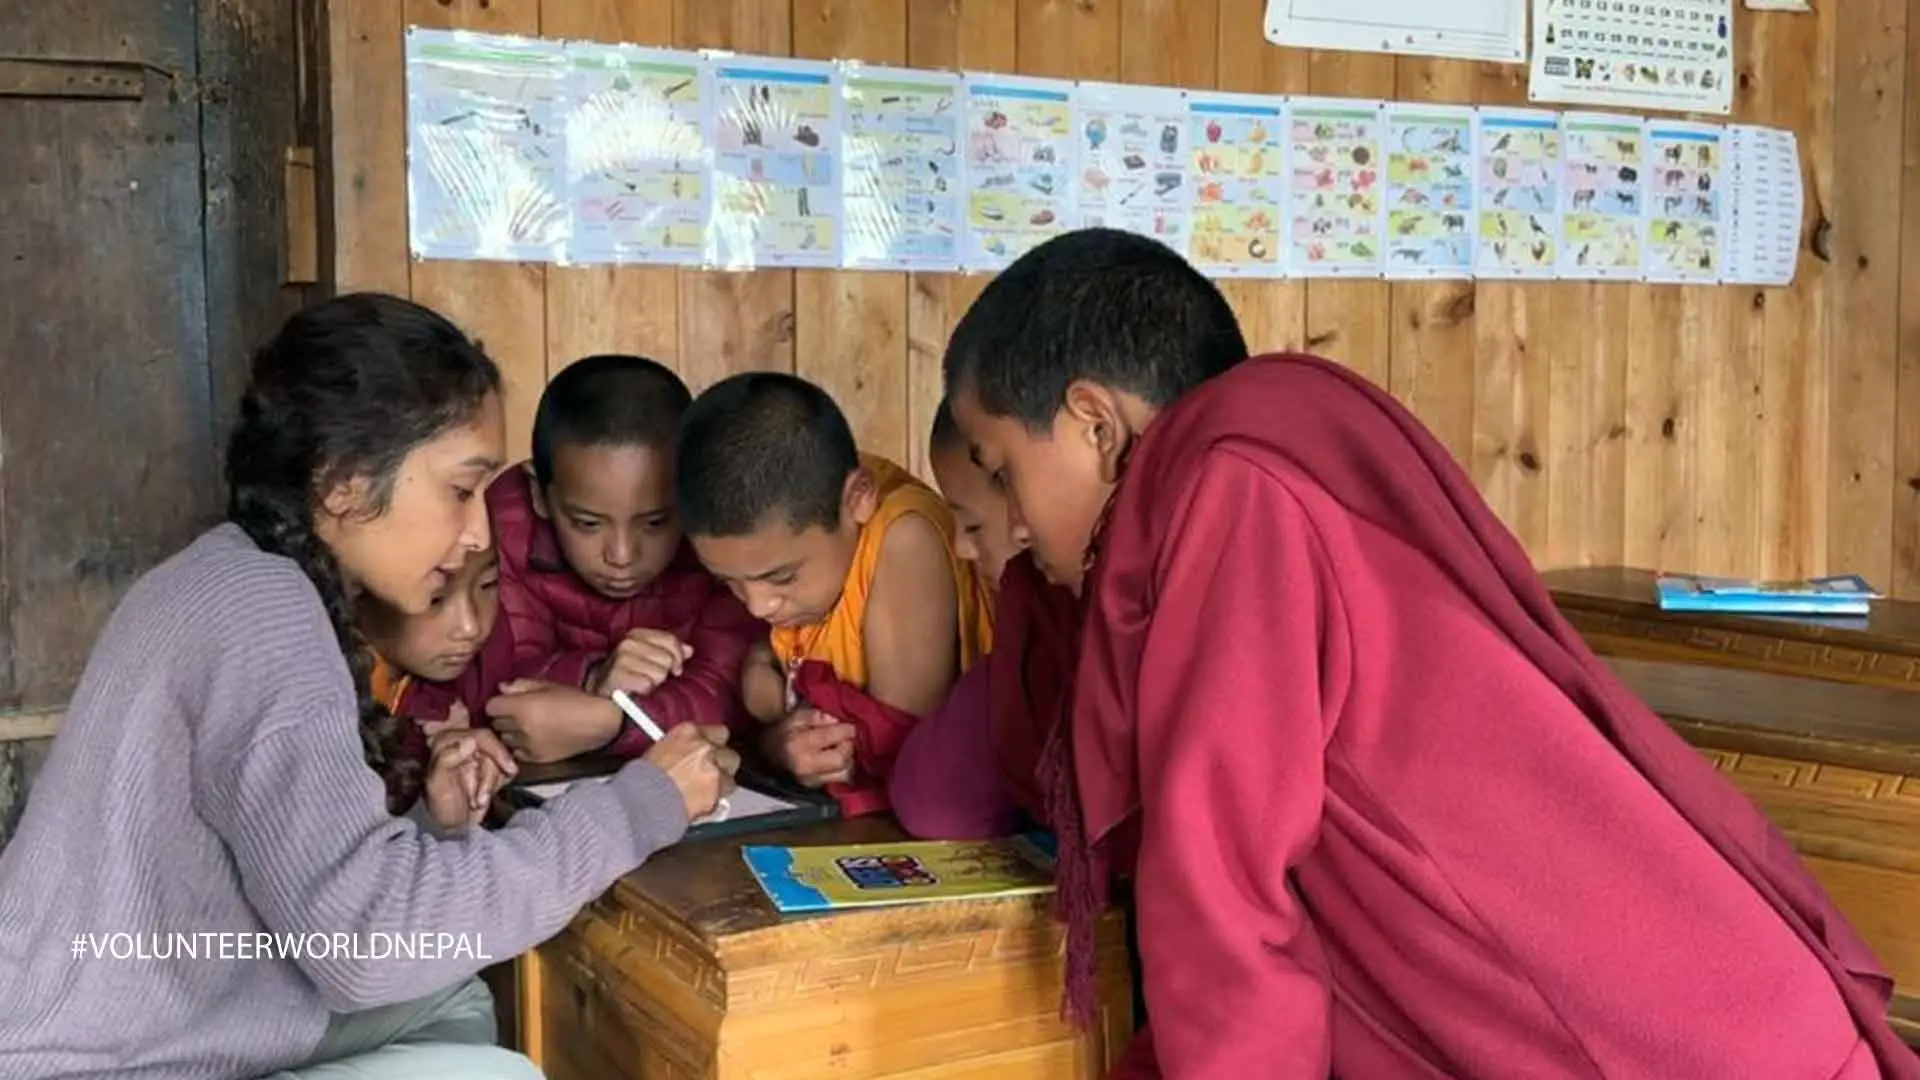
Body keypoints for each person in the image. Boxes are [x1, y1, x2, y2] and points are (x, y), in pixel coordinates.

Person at [942, 227, 1919, 1079]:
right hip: (1676, 1014)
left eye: (998, 469)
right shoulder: (1252, 460)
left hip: (1657, 1039)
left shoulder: (1231, 489)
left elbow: (1224, 900)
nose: (1006, 525)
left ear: (1094, 421)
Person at [0, 294, 739, 1080]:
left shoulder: (237, 574)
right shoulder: (260, 611)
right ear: (347, 484)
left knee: (451, 993)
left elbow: (313, 883)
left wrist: (430, 826)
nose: (480, 534)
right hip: (90, 1059)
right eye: (461, 490)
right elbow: (363, 948)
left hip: (160, 1003)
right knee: (502, 1075)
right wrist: (638, 806)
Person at [674, 372, 993, 816]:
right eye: (728, 581)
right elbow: (769, 678)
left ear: (858, 499)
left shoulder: (902, 539)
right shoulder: (798, 537)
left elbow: (892, 745)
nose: (757, 605)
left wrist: (776, 733)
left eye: (782, 578)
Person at [480, 354, 760, 764]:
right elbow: (493, 683)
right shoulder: (505, 526)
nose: (622, 557)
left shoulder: (719, 532)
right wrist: (593, 676)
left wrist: (610, 723)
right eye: (588, 524)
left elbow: (728, 693)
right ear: (540, 496)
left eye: (656, 522)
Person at [890, 400, 1076, 840]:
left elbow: (938, 802)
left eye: (971, 526)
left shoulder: (1056, 626)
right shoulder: (1032, 625)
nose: (962, 549)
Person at [359, 545, 514, 814]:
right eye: (435, 598)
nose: (470, 627)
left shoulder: (487, 652)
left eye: (487, 584)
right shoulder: (326, 695)